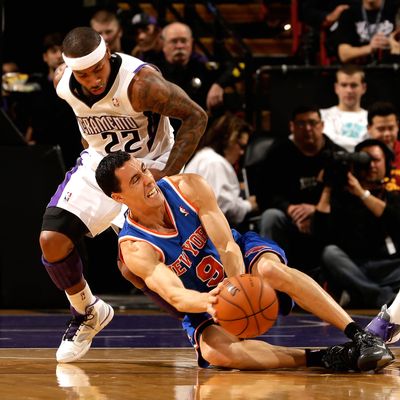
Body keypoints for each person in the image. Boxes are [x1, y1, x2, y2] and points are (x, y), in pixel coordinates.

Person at [94, 150, 394, 372]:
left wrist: (238, 284)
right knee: (215, 353)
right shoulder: (135, 248)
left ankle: (361, 335)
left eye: (144, 170)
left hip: (240, 258)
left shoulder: (187, 186)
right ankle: (326, 357)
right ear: (119, 198)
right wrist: (211, 302)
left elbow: (226, 244)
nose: (148, 180)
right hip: (205, 298)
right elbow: (175, 294)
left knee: (269, 269)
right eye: (135, 180)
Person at [38, 26, 208, 364]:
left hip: (147, 166)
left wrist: (167, 173)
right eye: (83, 74)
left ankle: (201, 325)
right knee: (51, 239)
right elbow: (87, 121)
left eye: (98, 70)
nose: (93, 80)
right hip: (101, 164)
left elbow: (196, 116)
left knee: (135, 267)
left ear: (107, 56)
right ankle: (88, 311)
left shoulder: (141, 84)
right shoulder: (62, 83)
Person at [255, 105, 346, 278]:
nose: (308, 129)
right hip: (289, 218)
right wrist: (289, 209)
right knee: (271, 216)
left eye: (312, 123)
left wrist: (314, 210)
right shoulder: (278, 153)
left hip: (325, 219)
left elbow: (346, 198)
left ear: (322, 125)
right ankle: (269, 281)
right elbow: (264, 195)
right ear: (292, 126)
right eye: (301, 124)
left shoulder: (337, 154)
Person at [312, 139, 400, 308]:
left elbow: (394, 219)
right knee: (330, 254)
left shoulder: (393, 197)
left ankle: (360, 293)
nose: (371, 165)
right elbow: (320, 234)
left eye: (376, 160)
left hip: (389, 267)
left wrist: (361, 193)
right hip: (354, 267)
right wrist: (328, 187)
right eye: (366, 160)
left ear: (386, 164)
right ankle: (382, 297)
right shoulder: (342, 197)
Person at [184, 112, 258, 229]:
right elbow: (224, 208)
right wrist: (249, 205)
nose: (242, 152)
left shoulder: (204, 157)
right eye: (241, 146)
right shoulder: (215, 163)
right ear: (229, 139)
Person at [158, 22, 241, 120]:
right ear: (163, 44)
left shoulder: (202, 68)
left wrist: (219, 84)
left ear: (191, 43)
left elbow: (239, 67)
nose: (179, 46)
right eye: (174, 41)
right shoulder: (154, 70)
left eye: (184, 41)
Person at [27, 32, 83, 168]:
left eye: (62, 51)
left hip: (75, 151)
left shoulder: (79, 85)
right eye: (54, 51)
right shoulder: (35, 86)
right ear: (45, 57)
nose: (59, 55)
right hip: (44, 153)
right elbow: (32, 119)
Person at [332, 0, 400, 64]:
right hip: (360, 69)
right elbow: (343, 55)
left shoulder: (396, 8)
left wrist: (392, 43)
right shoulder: (349, 13)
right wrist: (370, 48)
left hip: (393, 65)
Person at [320, 64, 368, 152]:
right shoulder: (322, 116)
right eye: (344, 85)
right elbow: (326, 143)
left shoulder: (371, 118)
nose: (349, 90)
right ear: (336, 88)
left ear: (363, 88)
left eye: (353, 85)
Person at [366, 100, 400, 189]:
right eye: (381, 129)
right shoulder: (361, 155)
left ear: (398, 127)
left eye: (391, 128)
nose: (387, 134)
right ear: (369, 129)